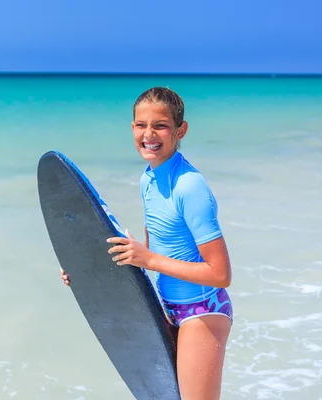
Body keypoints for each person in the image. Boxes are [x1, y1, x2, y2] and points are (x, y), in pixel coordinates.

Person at [60, 86, 233, 400]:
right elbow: (152, 252)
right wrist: (87, 272)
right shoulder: (148, 179)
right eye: (141, 125)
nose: (149, 134)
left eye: (161, 126)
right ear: (132, 128)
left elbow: (220, 274)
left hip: (203, 311)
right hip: (168, 308)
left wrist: (148, 259)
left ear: (181, 130)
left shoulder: (189, 186)